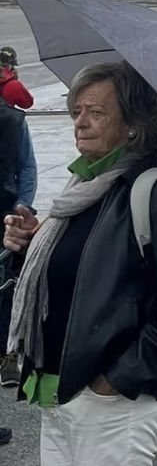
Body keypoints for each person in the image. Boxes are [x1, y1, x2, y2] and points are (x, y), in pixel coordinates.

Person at [4, 62, 157, 465]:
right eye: (77, 111)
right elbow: (68, 282)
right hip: (58, 393)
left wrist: (118, 379)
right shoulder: (83, 190)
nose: (80, 123)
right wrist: (26, 248)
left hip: (115, 404)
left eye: (96, 113)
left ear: (133, 125)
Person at [1, 97, 37, 390]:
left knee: (8, 286)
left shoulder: (13, 119)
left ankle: (8, 355)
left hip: (5, 213)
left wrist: (21, 205)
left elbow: (27, 167)